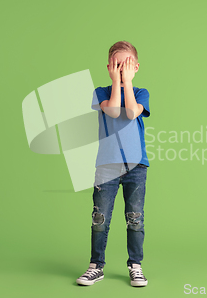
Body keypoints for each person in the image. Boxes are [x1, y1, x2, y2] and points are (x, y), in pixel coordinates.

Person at [76, 41, 151, 287]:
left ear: (136, 67)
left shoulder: (141, 93)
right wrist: (117, 82)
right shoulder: (101, 93)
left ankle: (135, 265)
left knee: (135, 217)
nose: (122, 69)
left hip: (135, 167)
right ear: (109, 66)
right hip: (106, 166)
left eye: (127, 65)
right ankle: (96, 266)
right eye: (117, 65)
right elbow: (114, 112)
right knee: (100, 218)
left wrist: (126, 82)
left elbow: (130, 112)